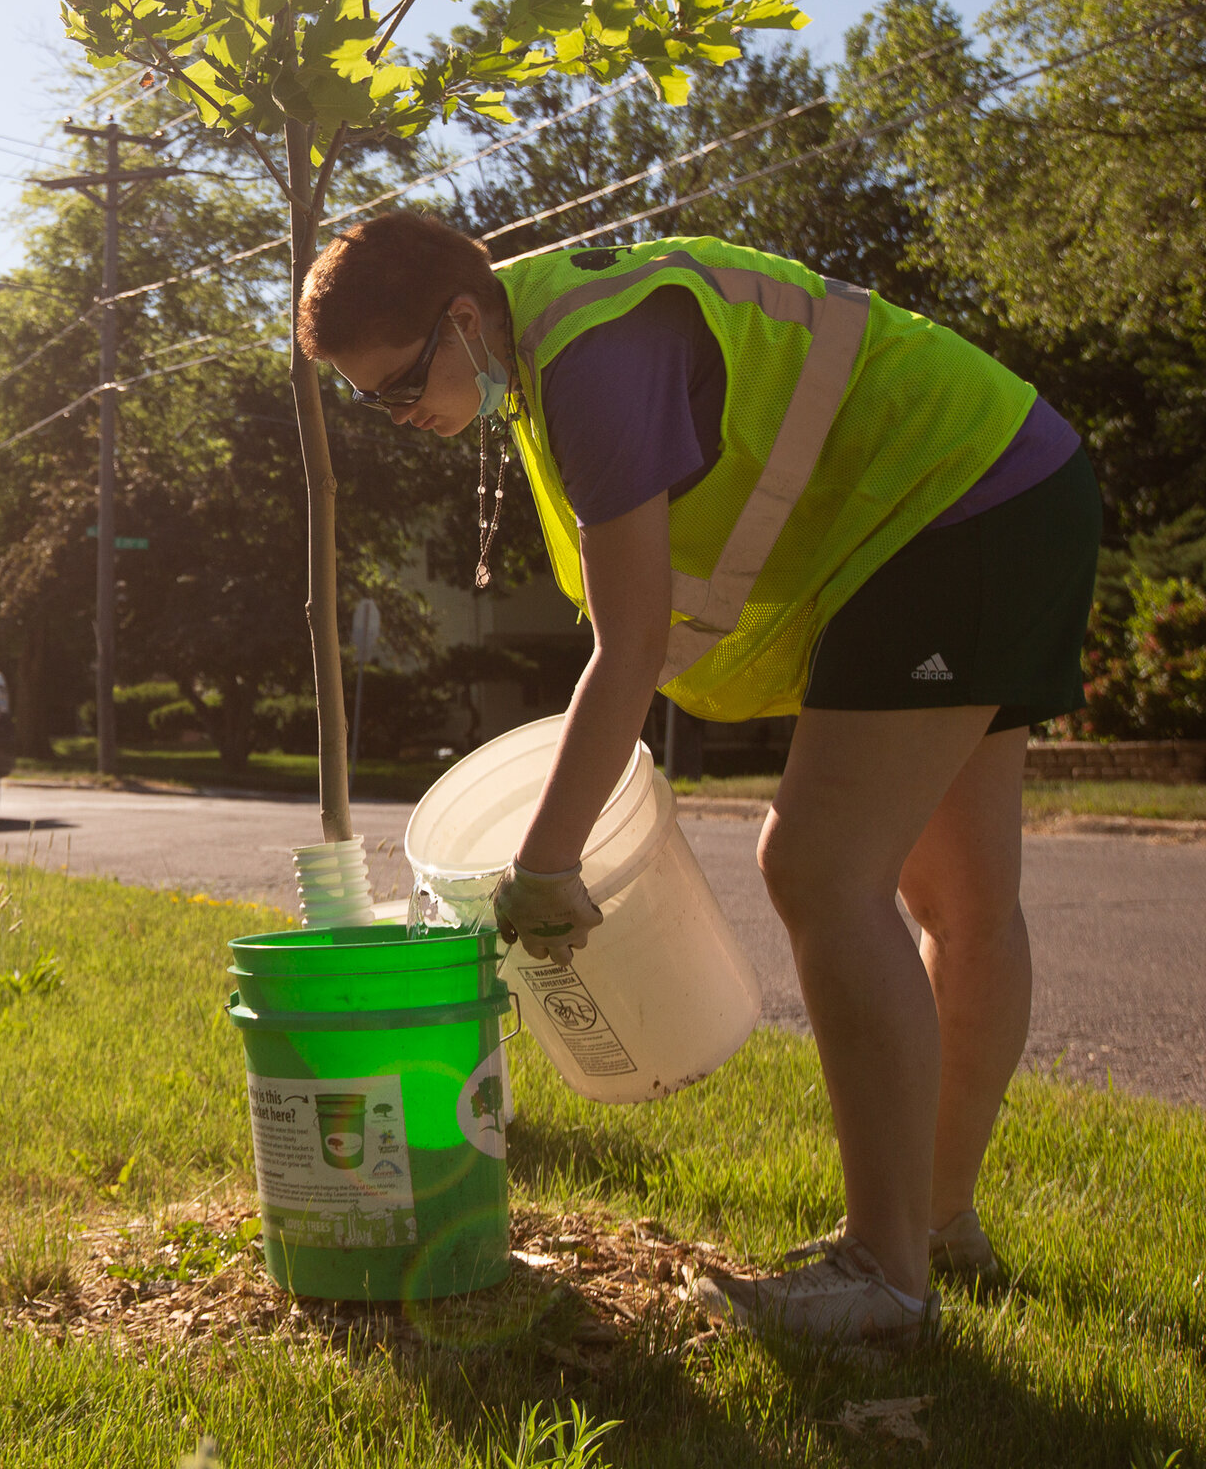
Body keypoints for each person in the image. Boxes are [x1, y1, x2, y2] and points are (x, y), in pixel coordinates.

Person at [299, 215, 1100, 1350]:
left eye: (393, 389)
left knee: (819, 867)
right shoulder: (541, 341)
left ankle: (886, 1271)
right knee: (962, 902)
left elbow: (628, 650)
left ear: (460, 322)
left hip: (953, 505)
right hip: (1005, 482)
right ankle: (939, 1226)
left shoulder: (591, 360)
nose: (398, 421)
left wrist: (542, 867)